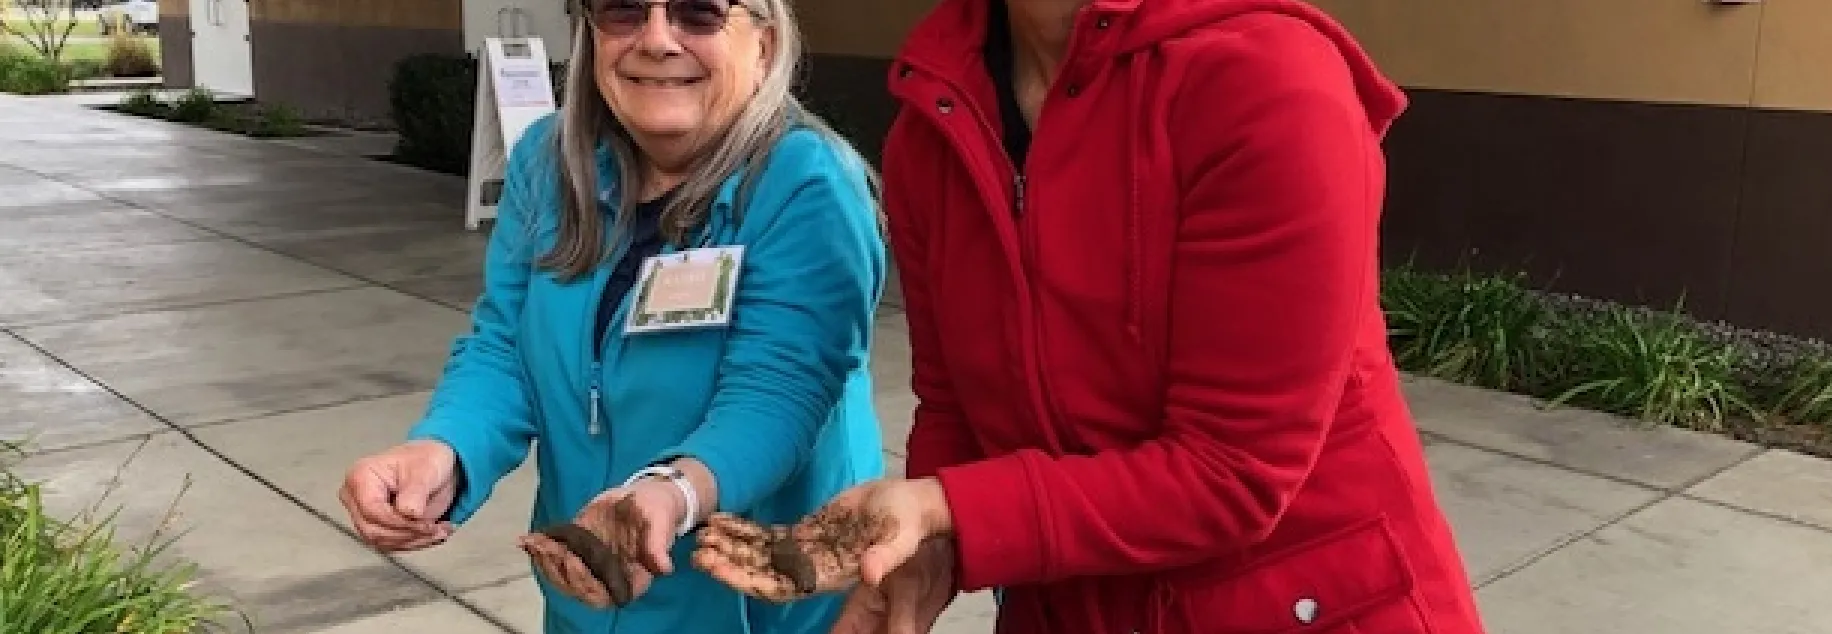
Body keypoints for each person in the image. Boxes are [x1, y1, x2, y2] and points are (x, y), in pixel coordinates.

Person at [692, 0, 1491, 632]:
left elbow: (1234, 474)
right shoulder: (932, 123)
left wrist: (947, 507)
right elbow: (957, 407)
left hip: (1306, 606)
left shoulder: (1266, 82)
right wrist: (928, 551)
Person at [336, 0, 888, 632]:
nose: (656, 39)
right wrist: (447, 448)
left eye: (697, 12)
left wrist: (669, 495)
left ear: (762, 44)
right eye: (623, 9)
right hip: (589, 587)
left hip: (752, 604)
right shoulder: (548, 161)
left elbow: (780, 395)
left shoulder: (807, 181)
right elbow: (506, 344)